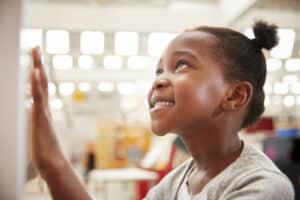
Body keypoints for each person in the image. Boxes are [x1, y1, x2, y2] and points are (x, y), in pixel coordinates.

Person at [29, 20, 295, 200]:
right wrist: (52, 164)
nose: (159, 80)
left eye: (181, 66)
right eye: (159, 70)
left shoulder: (263, 188)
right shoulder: (176, 182)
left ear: (235, 95)